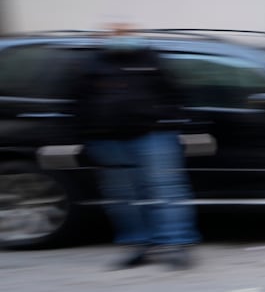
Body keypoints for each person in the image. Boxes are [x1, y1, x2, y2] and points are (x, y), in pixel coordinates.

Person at [73, 26, 198, 269]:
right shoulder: (91, 64)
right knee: (123, 199)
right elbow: (78, 101)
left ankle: (176, 245)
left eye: (125, 31)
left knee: (166, 193)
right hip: (106, 139)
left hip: (153, 136)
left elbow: (175, 94)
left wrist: (168, 122)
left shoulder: (150, 60)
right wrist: (81, 136)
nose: (120, 37)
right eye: (114, 32)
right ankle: (138, 245)